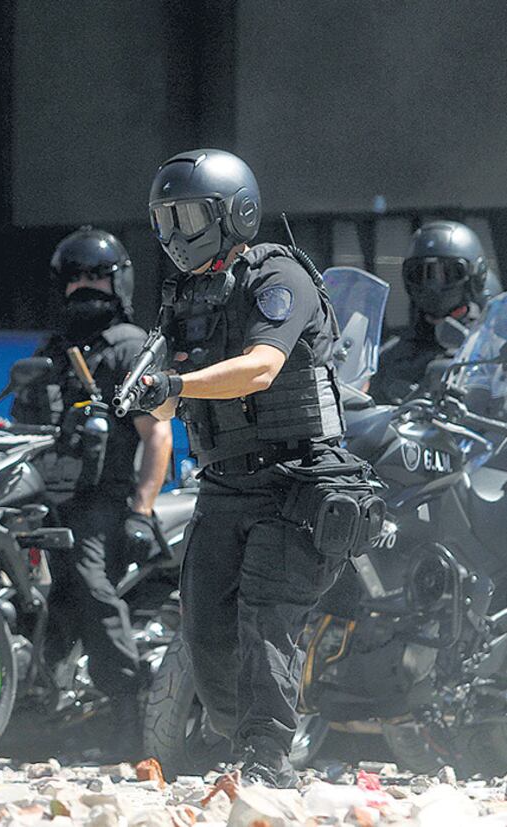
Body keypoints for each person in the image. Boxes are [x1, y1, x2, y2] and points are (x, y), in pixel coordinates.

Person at [127, 149, 380, 787]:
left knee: (266, 617)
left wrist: (176, 385)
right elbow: (162, 383)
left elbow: (262, 366)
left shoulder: (278, 275)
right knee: (204, 628)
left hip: (297, 479)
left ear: (233, 213)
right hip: (225, 483)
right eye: (166, 218)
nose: (174, 233)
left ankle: (267, 765)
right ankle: (248, 747)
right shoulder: (186, 295)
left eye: (188, 216)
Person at [9, 227, 171, 760]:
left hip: (104, 501)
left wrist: (141, 512)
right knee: (43, 600)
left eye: (96, 275)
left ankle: (129, 707)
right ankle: (36, 711)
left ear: (117, 280)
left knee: (86, 582)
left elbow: (158, 433)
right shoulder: (52, 351)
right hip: (47, 498)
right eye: (76, 276)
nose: (86, 285)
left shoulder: (130, 347)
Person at [369, 220, 497, 403]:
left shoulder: (491, 344)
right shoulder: (391, 354)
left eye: (448, 273)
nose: (432, 285)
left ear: (475, 276)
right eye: (420, 273)